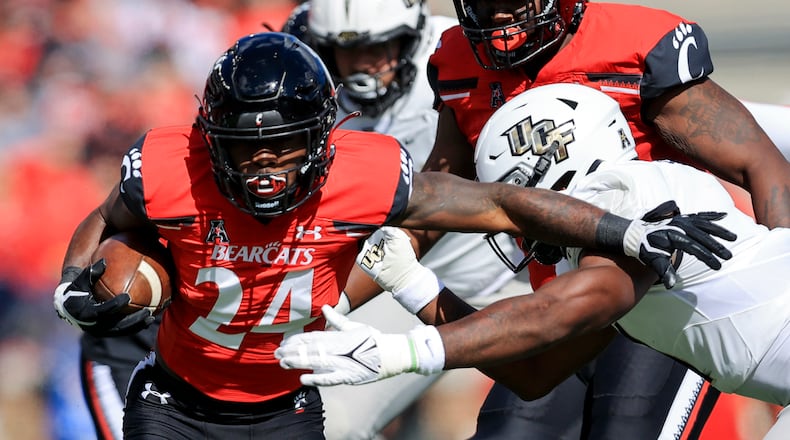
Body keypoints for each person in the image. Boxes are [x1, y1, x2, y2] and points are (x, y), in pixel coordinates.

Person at [51, 32, 731, 439]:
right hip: (178, 400)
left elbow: (500, 204)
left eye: (284, 146)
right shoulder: (171, 169)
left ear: (321, 138)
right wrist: (71, 285)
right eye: (243, 148)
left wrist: (624, 229)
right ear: (210, 142)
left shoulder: (367, 176)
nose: (263, 166)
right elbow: (109, 219)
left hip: (285, 402)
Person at [275, 83, 790, 439]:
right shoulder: (603, 246)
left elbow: (567, 308)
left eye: (526, 203)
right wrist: (416, 287)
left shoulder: (633, 192)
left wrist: (395, 353)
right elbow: (535, 372)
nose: (521, 225)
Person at [372, 1, 790, 438]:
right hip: (574, 285)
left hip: (660, 290)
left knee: (625, 427)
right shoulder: (458, 60)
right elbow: (531, 372)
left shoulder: (642, 193)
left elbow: (757, 164)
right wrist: (399, 278)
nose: (497, 15)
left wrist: (398, 351)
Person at [283, 1, 523, 438]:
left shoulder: (461, 53)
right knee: (329, 418)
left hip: (504, 272)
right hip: (391, 278)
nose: (363, 63)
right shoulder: (311, 85)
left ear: (412, 35)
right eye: (345, 49)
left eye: (381, 44)